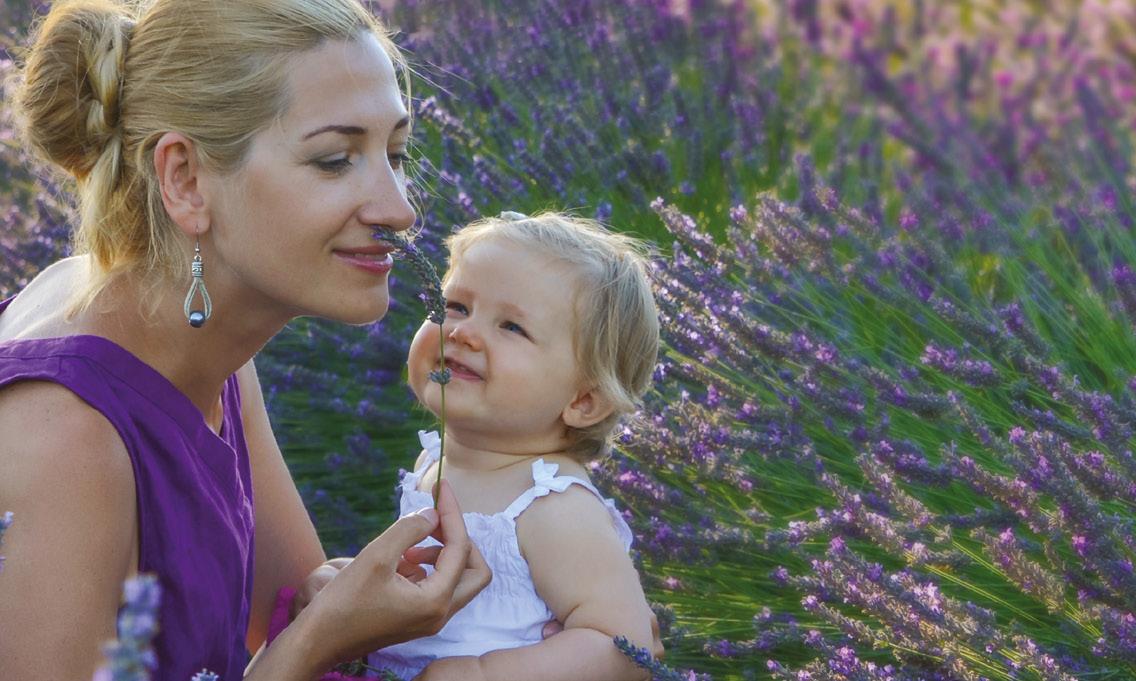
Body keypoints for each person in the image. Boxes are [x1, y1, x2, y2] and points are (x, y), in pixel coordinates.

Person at [0, 0, 497, 678]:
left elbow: (291, 606)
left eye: (396, 154)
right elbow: (302, 643)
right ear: (185, 178)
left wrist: (344, 610)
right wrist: (318, 637)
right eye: (334, 160)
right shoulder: (64, 434)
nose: (400, 210)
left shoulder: (216, 358)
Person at [297, 211, 667, 680]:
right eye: (455, 306)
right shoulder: (435, 461)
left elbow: (625, 647)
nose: (462, 332)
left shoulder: (554, 507)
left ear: (583, 401)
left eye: (511, 327)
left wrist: (479, 672)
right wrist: (347, 585)